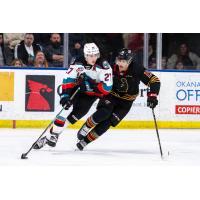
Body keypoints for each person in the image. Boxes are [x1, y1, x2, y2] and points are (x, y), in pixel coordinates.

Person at [76, 48, 161, 151]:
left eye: (123, 61)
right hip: (111, 96)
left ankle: (85, 142)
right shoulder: (110, 67)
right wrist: (86, 80)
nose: (120, 63)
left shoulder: (137, 69)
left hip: (125, 103)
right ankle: (86, 127)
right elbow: (96, 77)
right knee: (104, 112)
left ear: (129, 61)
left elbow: (154, 80)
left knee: (107, 123)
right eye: (119, 60)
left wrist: (152, 95)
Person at [34, 43, 113, 149]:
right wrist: (65, 96)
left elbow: (107, 88)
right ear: (85, 55)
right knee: (65, 108)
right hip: (77, 90)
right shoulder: (78, 61)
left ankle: (51, 136)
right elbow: (68, 79)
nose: (94, 58)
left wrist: (91, 85)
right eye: (90, 55)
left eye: (95, 55)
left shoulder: (104, 66)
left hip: (91, 95)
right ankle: (51, 136)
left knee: (74, 117)